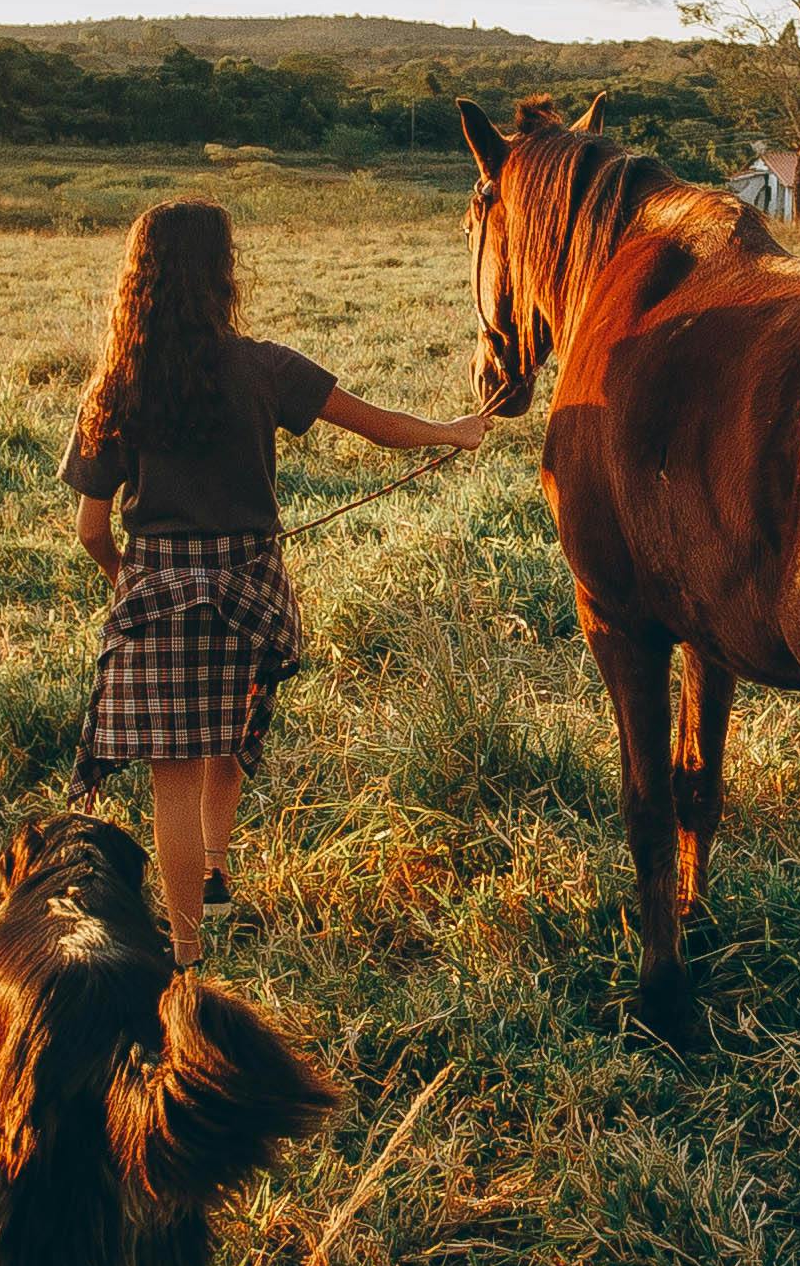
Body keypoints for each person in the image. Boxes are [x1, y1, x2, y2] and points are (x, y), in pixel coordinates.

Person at [61, 199, 492, 963]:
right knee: (228, 731)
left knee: (176, 779)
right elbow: (377, 423)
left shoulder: (114, 387)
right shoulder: (265, 367)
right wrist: (450, 431)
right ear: (220, 276)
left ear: (140, 279)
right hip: (250, 594)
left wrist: (128, 580)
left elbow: (92, 530)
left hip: (155, 592)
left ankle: (189, 949)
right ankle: (211, 887)